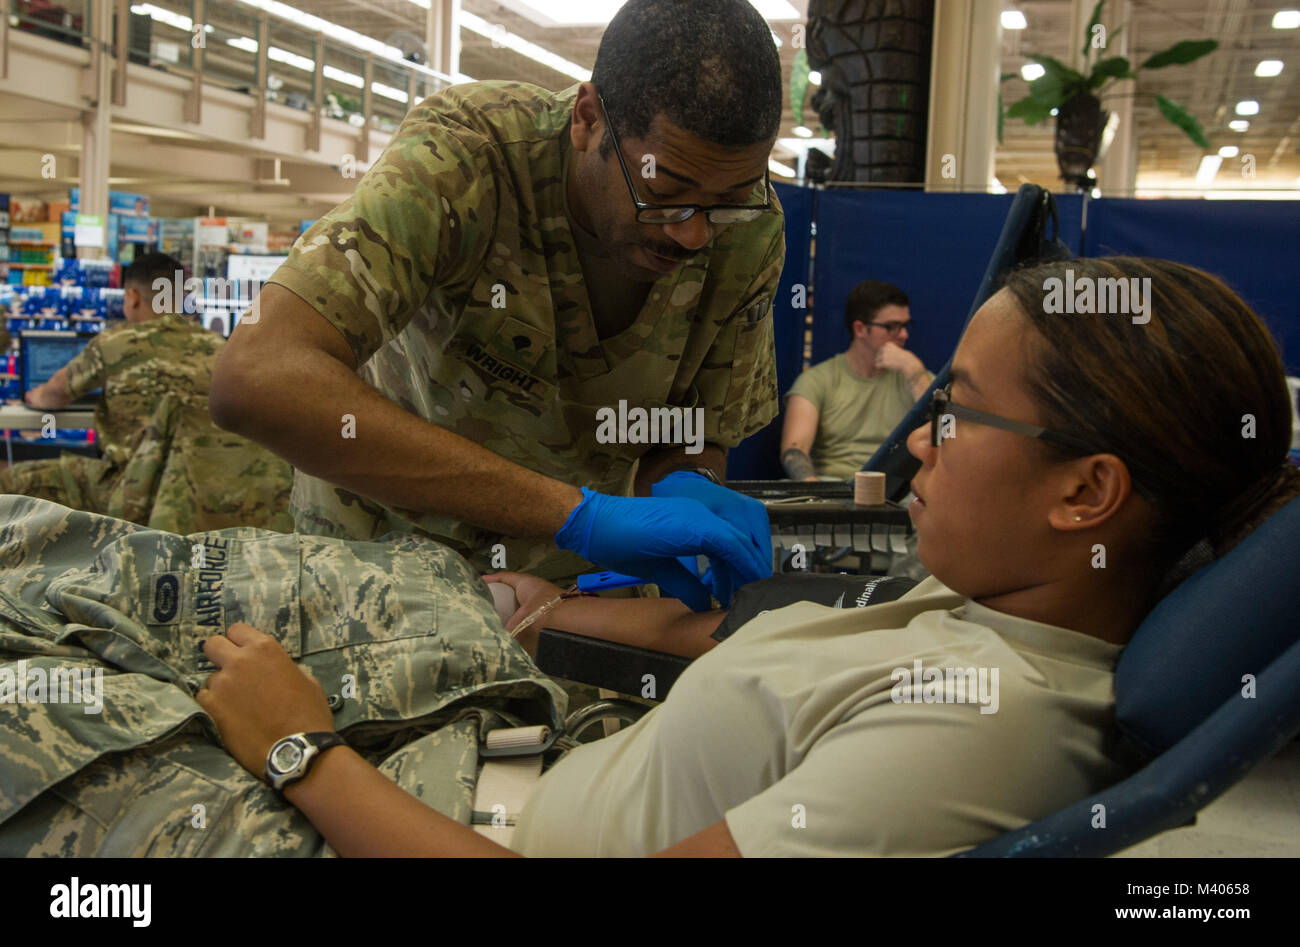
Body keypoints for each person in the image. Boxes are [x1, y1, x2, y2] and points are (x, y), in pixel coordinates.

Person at [3, 257, 1296, 857]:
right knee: (70, 561)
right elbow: (730, 669)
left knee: (38, 717)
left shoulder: (984, 727)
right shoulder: (978, 609)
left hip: (404, 816)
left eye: (960, 408)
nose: (921, 445)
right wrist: (549, 600)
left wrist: (301, 749)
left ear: (1086, 489)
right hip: (478, 716)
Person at [208, 0, 785, 611]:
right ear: (589, 120)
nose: (694, 233)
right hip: (377, 577)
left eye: (727, 200)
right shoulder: (467, 156)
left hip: (574, 595)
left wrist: (689, 483)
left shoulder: (749, 227)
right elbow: (256, 379)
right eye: (664, 194)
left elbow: (690, 423)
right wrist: (577, 515)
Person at [0, 252, 293, 532]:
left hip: (134, 489)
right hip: (217, 494)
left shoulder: (116, 342)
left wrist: (32, 396)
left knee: (12, 481)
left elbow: (53, 396)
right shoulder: (222, 348)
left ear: (133, 296)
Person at [781, 280, 932, 481]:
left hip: (899, 494)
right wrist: (814, 493)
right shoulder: (817, 380)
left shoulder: (916, 376)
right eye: (892, 327)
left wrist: (914, 371)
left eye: (905, 325)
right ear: (860, 329)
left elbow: (948, 433)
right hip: (836, 487)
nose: (904, 335)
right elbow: (794, 449)